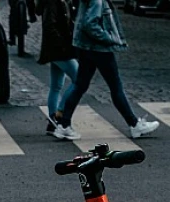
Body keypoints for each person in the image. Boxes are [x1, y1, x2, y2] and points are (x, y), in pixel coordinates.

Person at [54, 0, 159, 141]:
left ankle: (64, 125)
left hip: (85, 47)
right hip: (99, 49)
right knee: (115, 87)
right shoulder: (97, 1)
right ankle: (134, 124)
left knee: (80, 86)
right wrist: (108, 38)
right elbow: (90, 24)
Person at [36, 0, 78, 134]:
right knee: (80, 79)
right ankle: (60, 113)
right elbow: (50, 26)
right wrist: (63, 46)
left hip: (56, 49)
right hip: (60, 50)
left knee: (56, 86)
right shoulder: (53, 2)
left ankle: (52, 122)